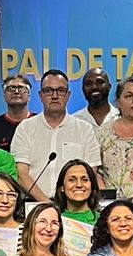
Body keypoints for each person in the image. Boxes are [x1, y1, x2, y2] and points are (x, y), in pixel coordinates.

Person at [11, 69, 102, 203]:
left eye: (60, 91)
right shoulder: (26, 128)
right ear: (41, 95)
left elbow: (90, 172)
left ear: (68, 95)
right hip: (34, 204)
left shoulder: (84, 129)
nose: (54, 96)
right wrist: (45, 203)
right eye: (48, 91)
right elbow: (21, 173)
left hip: (74, 205)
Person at [0, 74, 34, 150]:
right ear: (4, 95)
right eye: (11, 88)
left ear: (29, 95)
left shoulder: (40, 122)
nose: (16, 92)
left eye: (21, 88)